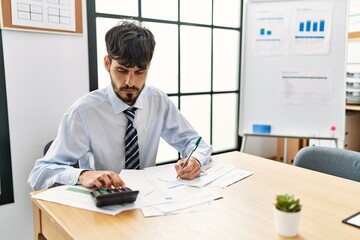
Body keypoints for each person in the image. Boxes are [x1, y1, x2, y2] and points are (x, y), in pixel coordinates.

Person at [28, 21, 212, 191]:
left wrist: (194, 159)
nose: (130, 82)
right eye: (122, 70)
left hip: (149, 198)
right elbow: (39, 173)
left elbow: (195, 143)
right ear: (107, 64)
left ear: (149, 66)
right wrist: (82, 175)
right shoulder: (83, 112)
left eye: (139, 72)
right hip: (103, 205)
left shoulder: (158, 101)